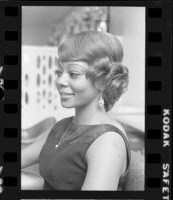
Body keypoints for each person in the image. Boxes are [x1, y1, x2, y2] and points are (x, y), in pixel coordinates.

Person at [21, 30, 130, 191]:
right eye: (59, 72)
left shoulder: (108, 142)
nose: (60, 81)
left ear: (102, 81)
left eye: (73, 74)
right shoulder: (60, 127)